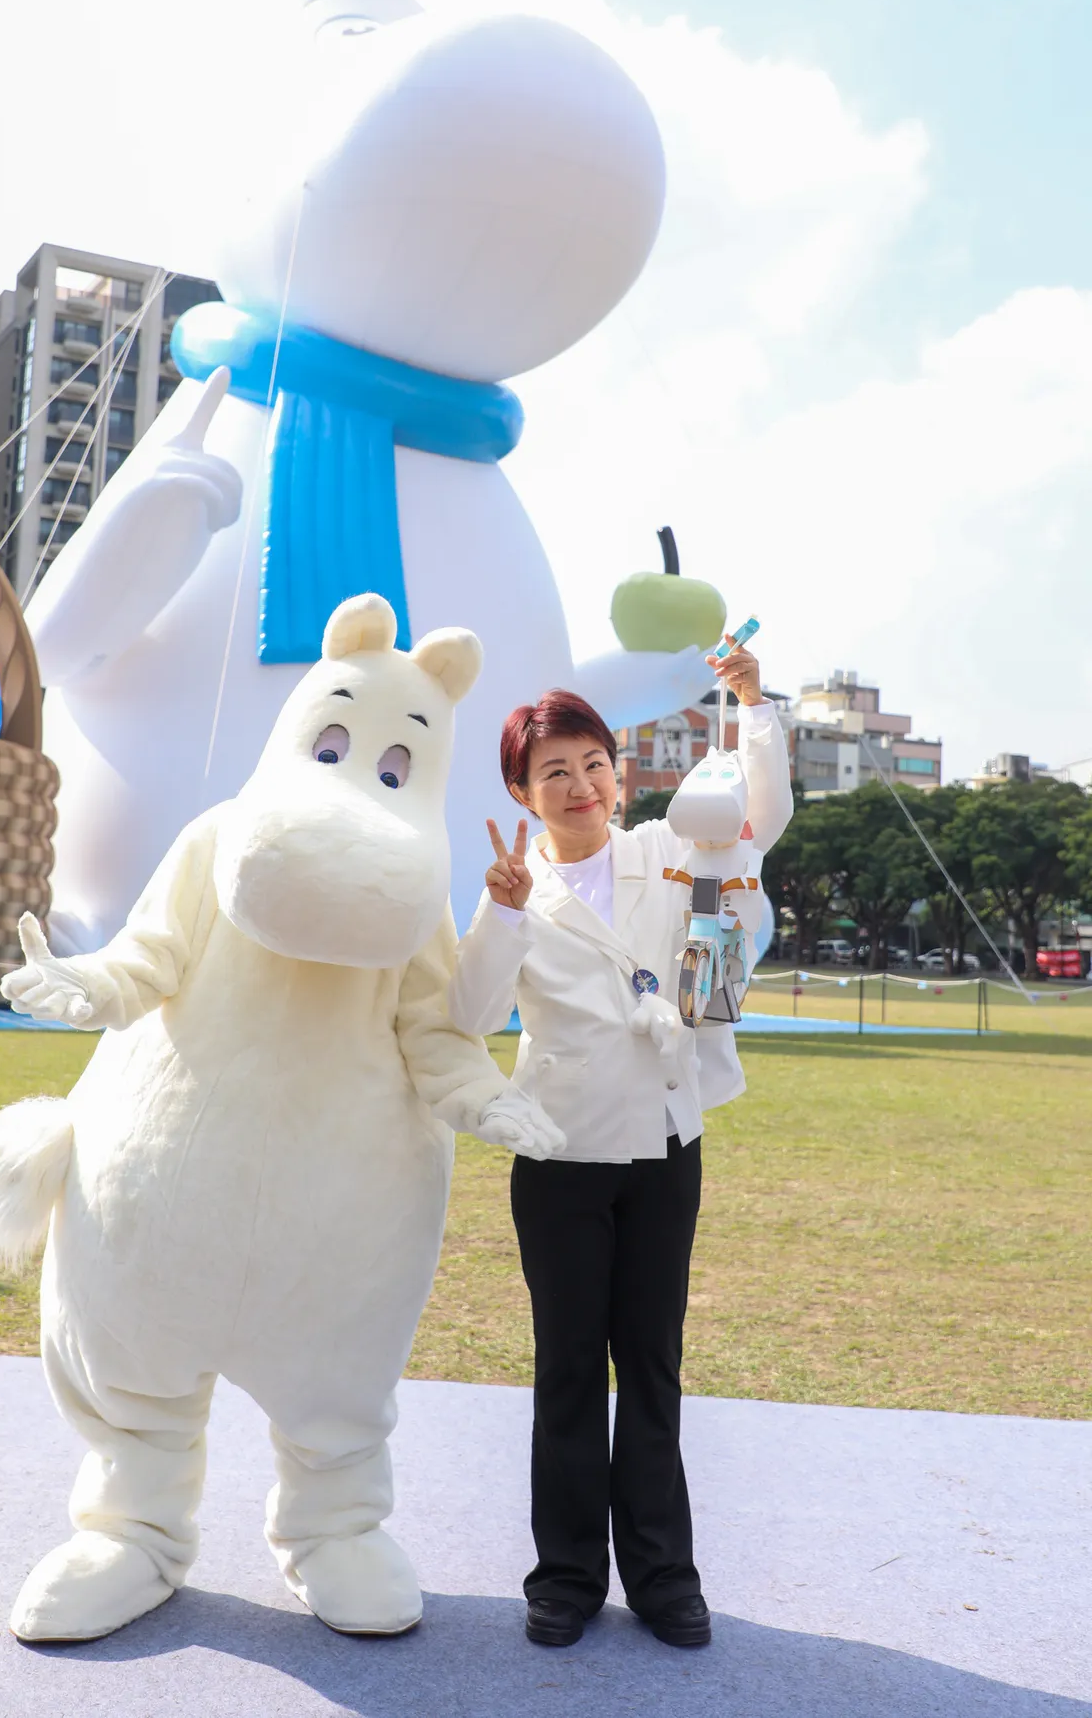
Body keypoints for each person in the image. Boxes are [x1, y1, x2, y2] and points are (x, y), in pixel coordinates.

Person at [448, 641, 792, 1650]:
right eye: (552, 770)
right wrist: (500, 914)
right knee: (566, 1370)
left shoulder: (667, 846)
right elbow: (470, 1012)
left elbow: (758, 816)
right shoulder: (515, 888)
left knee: (649, 1365)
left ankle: (661, 1575)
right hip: (558, 1156)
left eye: (592, 762)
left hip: (662, 1149)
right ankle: (564, 1578)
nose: (579, 785)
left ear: (618, 771)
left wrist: (751, 706)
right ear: (521, 791)